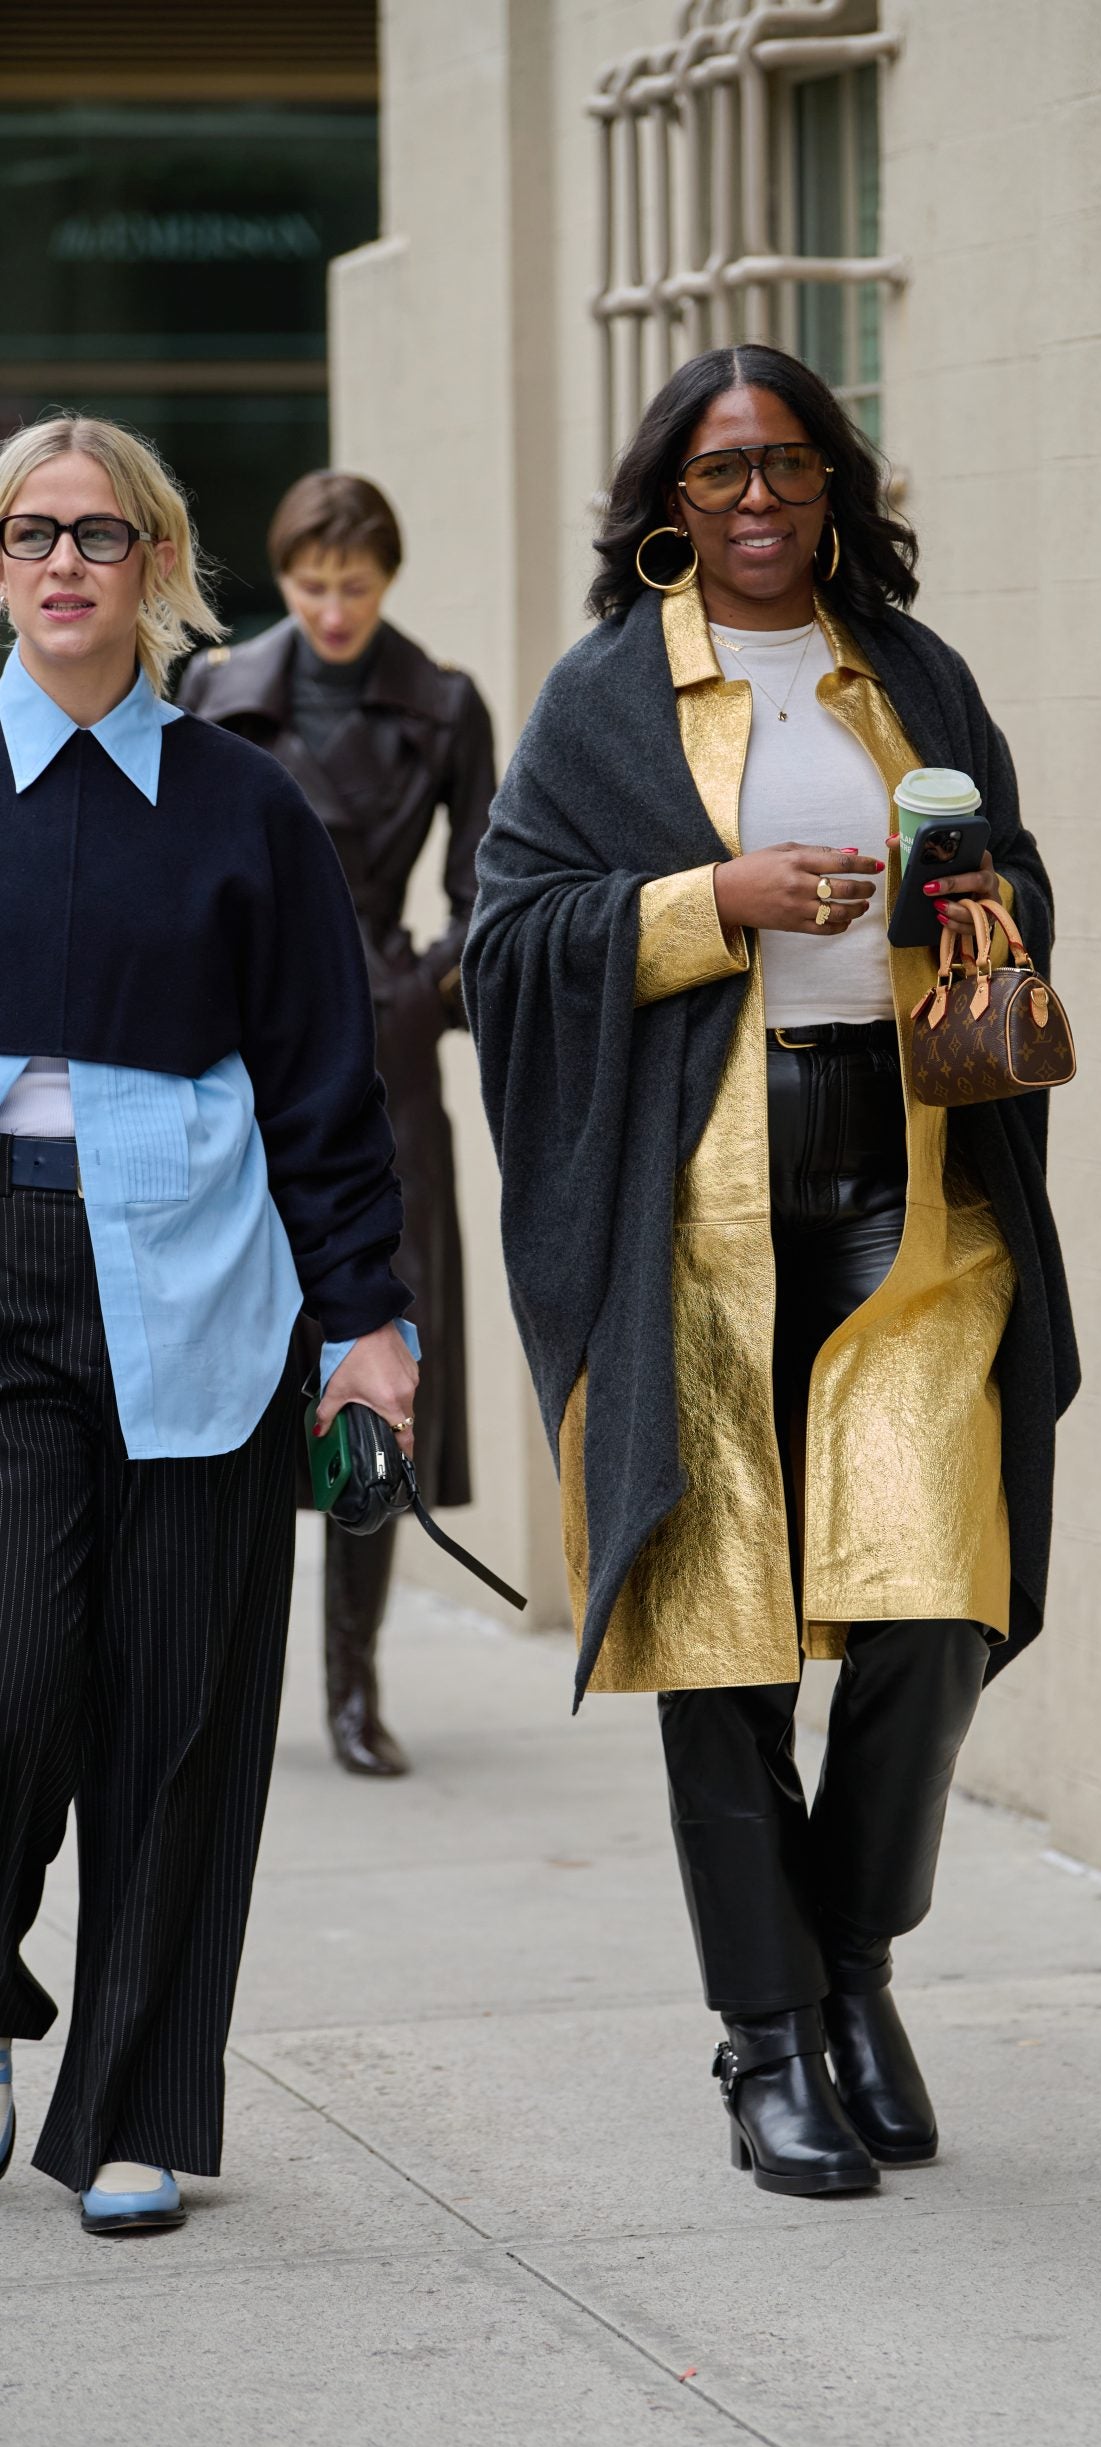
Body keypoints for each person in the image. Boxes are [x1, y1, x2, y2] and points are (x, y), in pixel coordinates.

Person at [466, 345, 1077, 2198]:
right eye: (721, 472)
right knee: (721, 1633)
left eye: (788, 467)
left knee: (932, 1603)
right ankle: (768, 2039)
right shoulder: (603, 698)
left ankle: (852, 1965)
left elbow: (1020, 881)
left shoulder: (912, 672)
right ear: (670, 498)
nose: (756, 500)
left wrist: (971, 900)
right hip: (692, 1210)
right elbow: (509, 941)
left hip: (907, 1180)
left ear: (832, 487)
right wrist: (706, 902)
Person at [0, 415, 418, 2236]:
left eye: (101, 534)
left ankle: (136, 2110)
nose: (64, 563)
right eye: (31, 533)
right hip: (6, 1272)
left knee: (176, 1720)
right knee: (13, 1684)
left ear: (159, 564)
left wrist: (367, 1321)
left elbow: (326, 1083)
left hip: (203, 1286)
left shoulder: (246, 803)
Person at [180, 473, 494, 1778]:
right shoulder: (213, 693)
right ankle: (210, 1679)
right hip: (231, 1050)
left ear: (387, 580)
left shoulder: (444, 704)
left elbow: (490, 889)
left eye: (355, 586)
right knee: (221, 1349)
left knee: (380, 1358)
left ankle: (353, 1685)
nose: (332, 609)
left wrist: (419, 991)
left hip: (380, 1052)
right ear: (284, 577)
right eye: (311, 585)